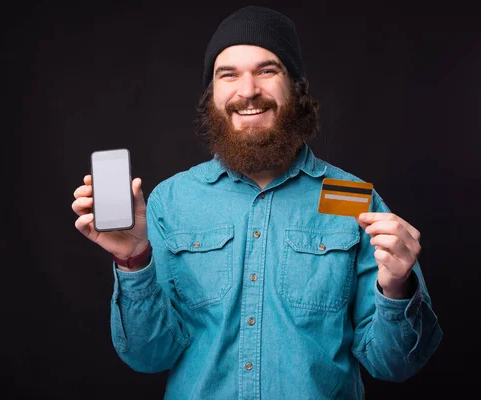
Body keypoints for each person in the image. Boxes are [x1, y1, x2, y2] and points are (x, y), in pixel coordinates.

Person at [71, 5, 442, 399]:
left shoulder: (351, 199)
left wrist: (397, 287)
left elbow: (395, 364)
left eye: (267, 70)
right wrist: (134, 261)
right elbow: (149, 356)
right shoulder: (171, 201)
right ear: (212, 95)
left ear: (296, 88)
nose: (247, 91)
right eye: (227, 74)